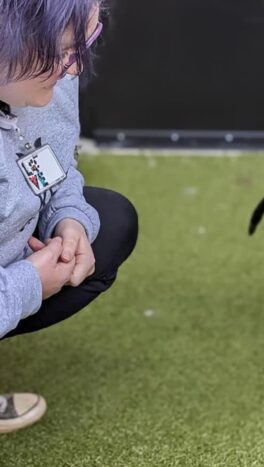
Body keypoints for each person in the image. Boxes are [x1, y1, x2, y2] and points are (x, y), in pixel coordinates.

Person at [0, 0, 138, 433]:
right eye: (61, 51)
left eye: (86, 43)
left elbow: (54, 162)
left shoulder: (48, 73)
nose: (75, 69)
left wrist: (70, 220)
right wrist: (27, 284)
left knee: (111, 221)